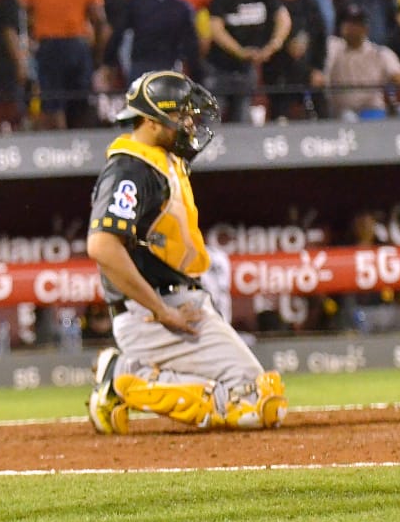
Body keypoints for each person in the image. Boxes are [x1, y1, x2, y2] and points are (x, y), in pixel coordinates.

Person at [85, 72, 287, 434]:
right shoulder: (130, 168)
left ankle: (125, 373)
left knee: (262, 397)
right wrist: (160, 310)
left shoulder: (161, 161)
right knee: (257, 403)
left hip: (178, 305)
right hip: (153, 314)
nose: (190, 123)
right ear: (149, 121)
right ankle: (123, 376)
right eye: (181, 115)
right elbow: (102, 246)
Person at [29, 0, 108, 130]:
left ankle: (58, 149)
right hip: (77, 46)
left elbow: (26, 17)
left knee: (52, 101)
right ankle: (81, 145)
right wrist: (98, 53)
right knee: (80, 100)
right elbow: (100, 21)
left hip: (48, 47)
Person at [264, 0, 330, 120]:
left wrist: (318, 68)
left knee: (322, 107)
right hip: (277, 72)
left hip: (306, 71)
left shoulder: (310, 3)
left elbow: (321, 38)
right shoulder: (269, 2)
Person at [324, 3, 400, 119]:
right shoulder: (333, 47)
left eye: (356, 24)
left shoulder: (379, 53)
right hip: (343, 112)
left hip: (374, 109)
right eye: (347, 23)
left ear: (365, 28)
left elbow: (399, 77)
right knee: (348, 117)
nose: (350, 28)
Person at [119, 0, 199, 81]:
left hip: (141, 65)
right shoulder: (183, 8)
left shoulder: (139, 1)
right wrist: (195, 72)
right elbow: (191, 45)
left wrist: (109, 62)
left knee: (139, 99)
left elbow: (119, 33)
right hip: (169, 67)